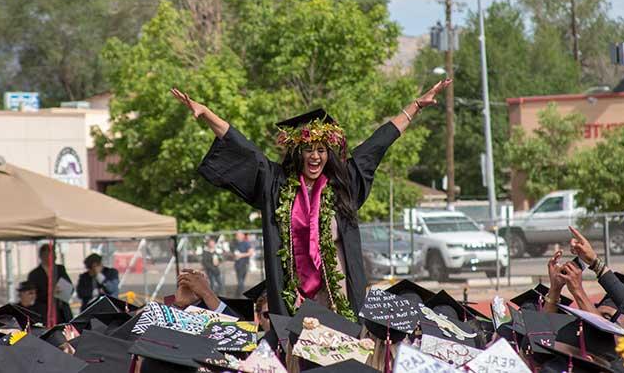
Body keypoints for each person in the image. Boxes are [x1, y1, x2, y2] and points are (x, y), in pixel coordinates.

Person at [171, 79, 452, 319]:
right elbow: (244, 148)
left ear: (329, 153)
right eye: (308, 150)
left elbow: (376, 145)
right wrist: (206, 113)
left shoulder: (343, 185)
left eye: (321, 150)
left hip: (336, 292)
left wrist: (414, 107)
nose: (315, 156)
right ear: (298, 153)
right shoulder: (278, 184)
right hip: (292, 296)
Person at [27, 243, 74, 324]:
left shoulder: (60, 269)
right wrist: (50, 292)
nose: (53, 256)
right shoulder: (34, 274)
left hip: (62, 310)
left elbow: (70, 286)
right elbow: (32, 295)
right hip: (44, 311)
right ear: (42, 256)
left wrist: (63, 290)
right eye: (49, 254)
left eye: (54, 253)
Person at [233, 232, 253, 297]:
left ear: (242, 236)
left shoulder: (246, 243)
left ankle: (240, 294)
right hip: (237, 265)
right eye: (236, 235)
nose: (236, 237)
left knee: (241, 281)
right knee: (240, 281)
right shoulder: (235, 243)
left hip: (244, 264)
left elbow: (250, 253)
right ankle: (239, 294)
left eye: (238, 235)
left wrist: (241, 255)